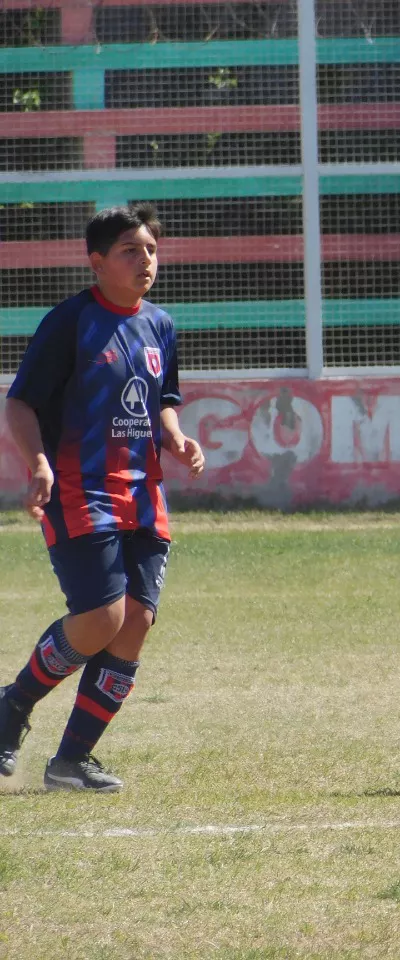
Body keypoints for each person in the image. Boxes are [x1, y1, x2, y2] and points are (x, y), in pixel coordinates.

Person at [0, 204, 205, 792]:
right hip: (78, 488)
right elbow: (20, 402)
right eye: (130, 251)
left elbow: (162, 397)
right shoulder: (70, 322)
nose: (146, 261)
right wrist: (37, 461)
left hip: (143, 495)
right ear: (97, 263)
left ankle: (71, 762)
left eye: (151, 251)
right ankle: (12, 706)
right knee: (100, 617)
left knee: (135, 622)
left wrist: (174, 435)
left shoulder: (161, 325)